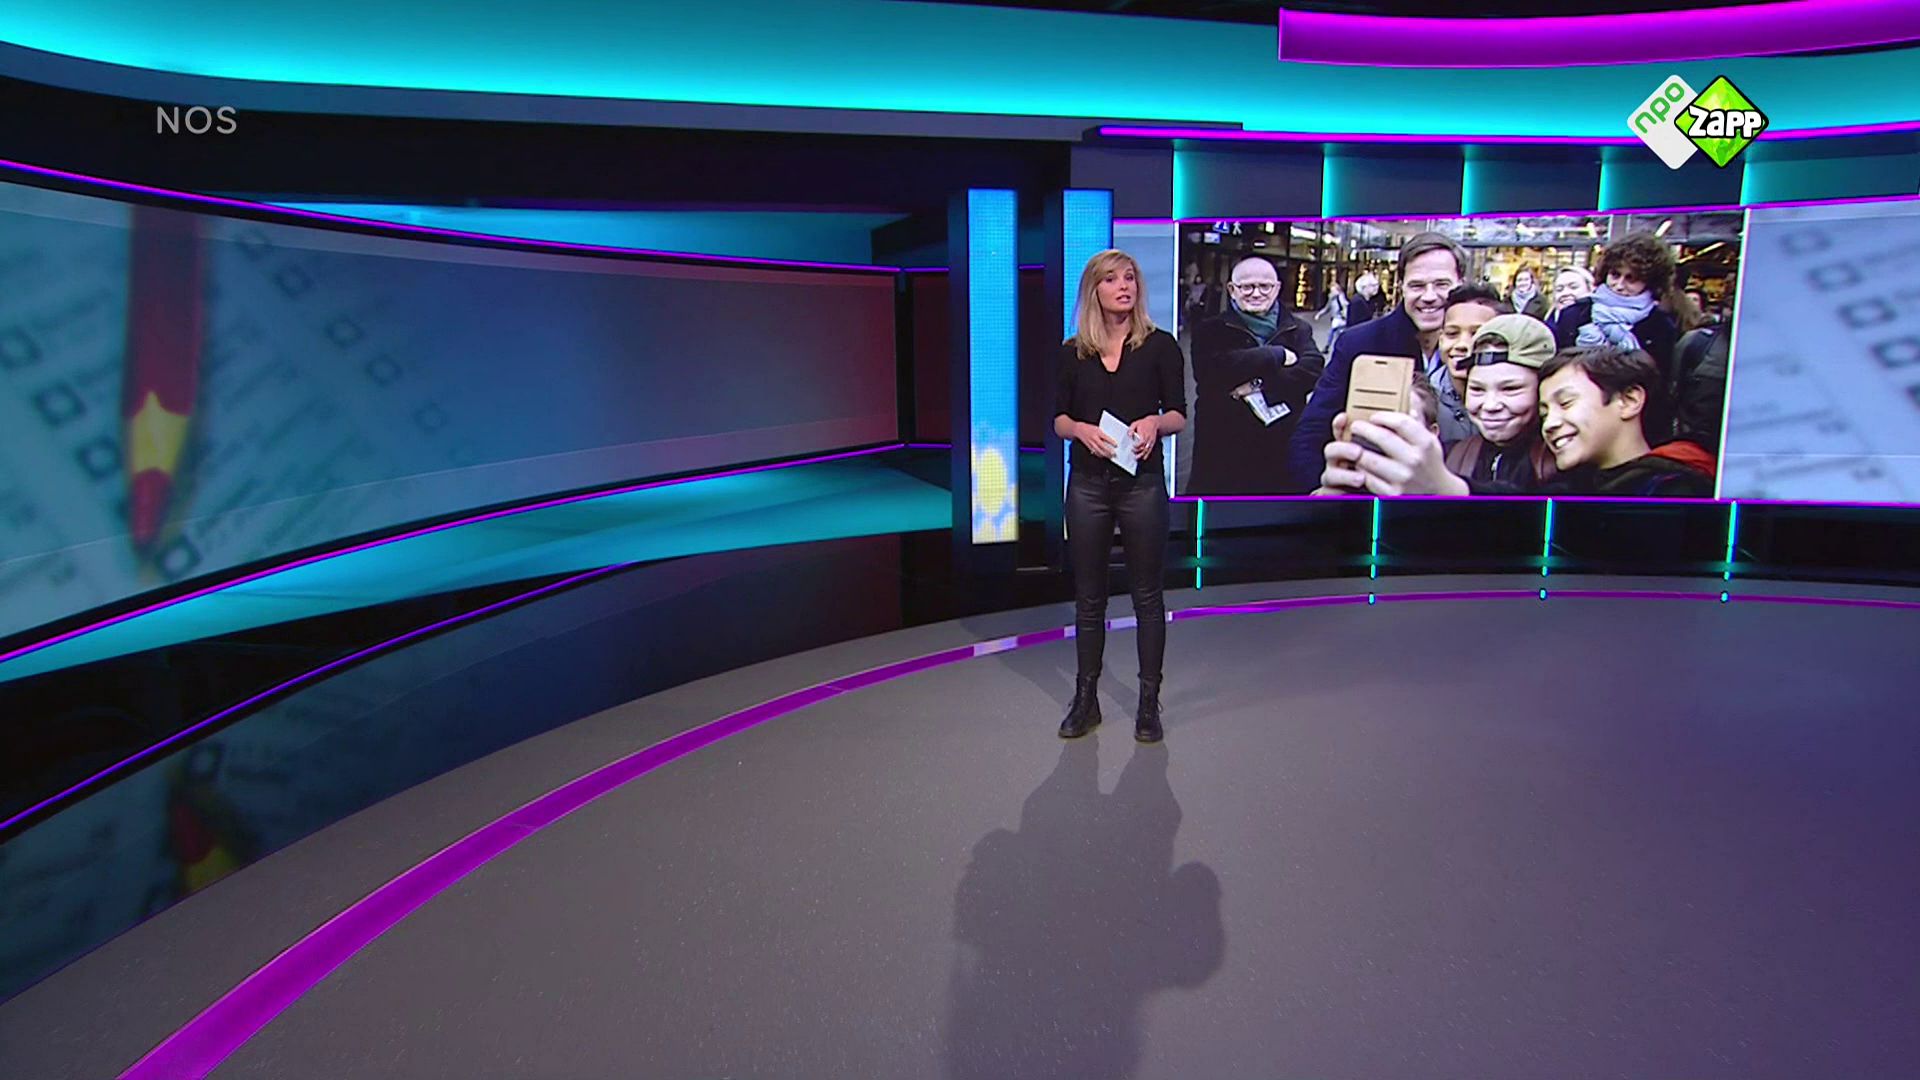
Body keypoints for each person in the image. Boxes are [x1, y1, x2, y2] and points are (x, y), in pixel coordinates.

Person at [1053, 249, 1187, 743]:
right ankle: (1085, 699)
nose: (1123, 286)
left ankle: (1148, 703)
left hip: (1142, 484)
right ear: (1094, 290)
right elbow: (1059, 418)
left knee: (1147, 596)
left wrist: (1154, 422)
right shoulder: (1073, 352)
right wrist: (1080, 431)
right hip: (1087, 485)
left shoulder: (1160, 346)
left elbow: (1179, 414)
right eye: (1111, 279)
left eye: (1129, 277)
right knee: (1089, 598)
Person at [1288, 231, 1469, 489]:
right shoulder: (1360, 343)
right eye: (1417, 286)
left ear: (1461, 283)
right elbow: (1311, 432)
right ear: (1401, 286)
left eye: (1442, 284)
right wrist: (1322, 496)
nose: (1429, 296)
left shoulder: (1485, 341)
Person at [1187, 255, 1326, 495]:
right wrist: (1275, 355)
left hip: (1282, 446)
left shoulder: (1298, 328)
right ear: (1232, 290)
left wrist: (1258, 385)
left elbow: (1312, 369)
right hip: (1224, 448)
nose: (1256, 293)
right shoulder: (1209, 330)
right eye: (1247, 287)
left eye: (1265, 286)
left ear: (1277, 288)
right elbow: (1212, 370)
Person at [1552, 233, 1687, 441]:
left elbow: (1659, 388)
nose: (1619, 285)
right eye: (1615, 274)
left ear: (1650, 282)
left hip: (1633, 424)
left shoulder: (1661, 325)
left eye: (1631, 278)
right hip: (1575, 417)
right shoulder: (1575, 314)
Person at [1536, 345, 1714, 496]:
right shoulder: (1563, 492)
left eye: (1565, 403)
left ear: (1629, 401)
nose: (1549, 424)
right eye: (1544, 414)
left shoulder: (1674, 492)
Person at [1444, 314, 1560, 492]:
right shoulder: (1453, 456)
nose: (1490, 405)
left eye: (1510, 389)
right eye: (1477, 389)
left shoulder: (1566, 464)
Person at [1430, 284, 1509, 448]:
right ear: (1441, 339)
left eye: (1477, 334)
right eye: (1452, 334)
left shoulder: (1518, 400)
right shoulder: (1424, 398)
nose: (1462, 344)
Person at [1546, 265, 1594, 334]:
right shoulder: (1548, 320)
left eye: (1573, 287)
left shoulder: (1599, 320)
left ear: (1590, 288)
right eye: (1559, 289)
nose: (1565, 293)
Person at [1318, 278, 1350, 353]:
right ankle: (1333, 347)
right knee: (1335, 333)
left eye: (1333, 290)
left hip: (1340, 318)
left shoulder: (1341, 297)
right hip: (1336, 318)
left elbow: (1346, 305)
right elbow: (1327, 308)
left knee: (1333, 332)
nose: (1332, 292)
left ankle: (1330, 347)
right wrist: (1319, 314)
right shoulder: (1332, 299)